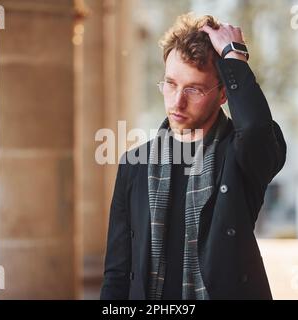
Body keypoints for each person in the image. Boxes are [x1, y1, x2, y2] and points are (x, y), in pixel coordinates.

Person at [100, 13, 286, 300]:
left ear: (223, 93)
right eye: (170, 83)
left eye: (194, 89)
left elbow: (253, 129)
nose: (177, 102)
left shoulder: (240, 158)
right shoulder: (134, 164)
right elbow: (117, 272)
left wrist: (234, 57)